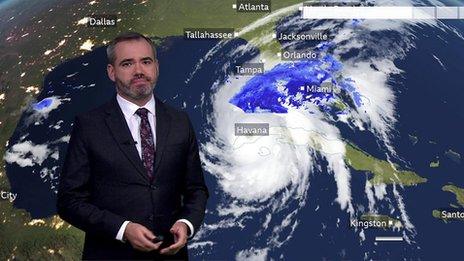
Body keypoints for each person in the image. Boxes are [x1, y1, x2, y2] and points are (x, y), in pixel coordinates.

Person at [57, 32, 209, 260]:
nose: (139, 70)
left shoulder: (180, 122)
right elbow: (69, 201)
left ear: (156, 67)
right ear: (112, 72)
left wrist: (186, 224)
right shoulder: (89, 125)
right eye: (127, 63)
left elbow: (196, 190)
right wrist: (123, 229)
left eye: (145, 61)